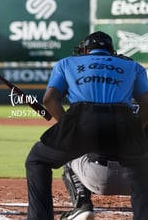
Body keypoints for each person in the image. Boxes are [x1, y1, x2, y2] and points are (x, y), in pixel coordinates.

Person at [24, 31, 148, 220]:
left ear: (85, 50)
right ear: (111, 51)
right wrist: (136, 130)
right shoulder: (133, 66)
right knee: (141, 167)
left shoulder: (66, 63)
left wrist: (67, 126)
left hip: (82, 119)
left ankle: (42, 217)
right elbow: (146, 103)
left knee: (37, 160)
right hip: (123, 123)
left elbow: (50, 99)